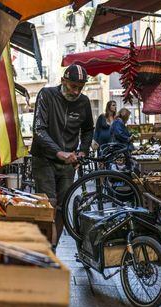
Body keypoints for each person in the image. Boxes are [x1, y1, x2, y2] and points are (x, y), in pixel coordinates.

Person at [30, 64, 94, 247]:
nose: (76, 92)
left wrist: (83, 150)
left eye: (80, 88)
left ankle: (53, 247)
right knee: (47, 205)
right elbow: (39, 130)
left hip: (68, 163)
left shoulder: (84, 102)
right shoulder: (47, 95)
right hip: (44, 159)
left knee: (62, 206)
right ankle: (44, 248)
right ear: (63, 81)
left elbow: (88, 130)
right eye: (73, 86)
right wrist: (59, 152)